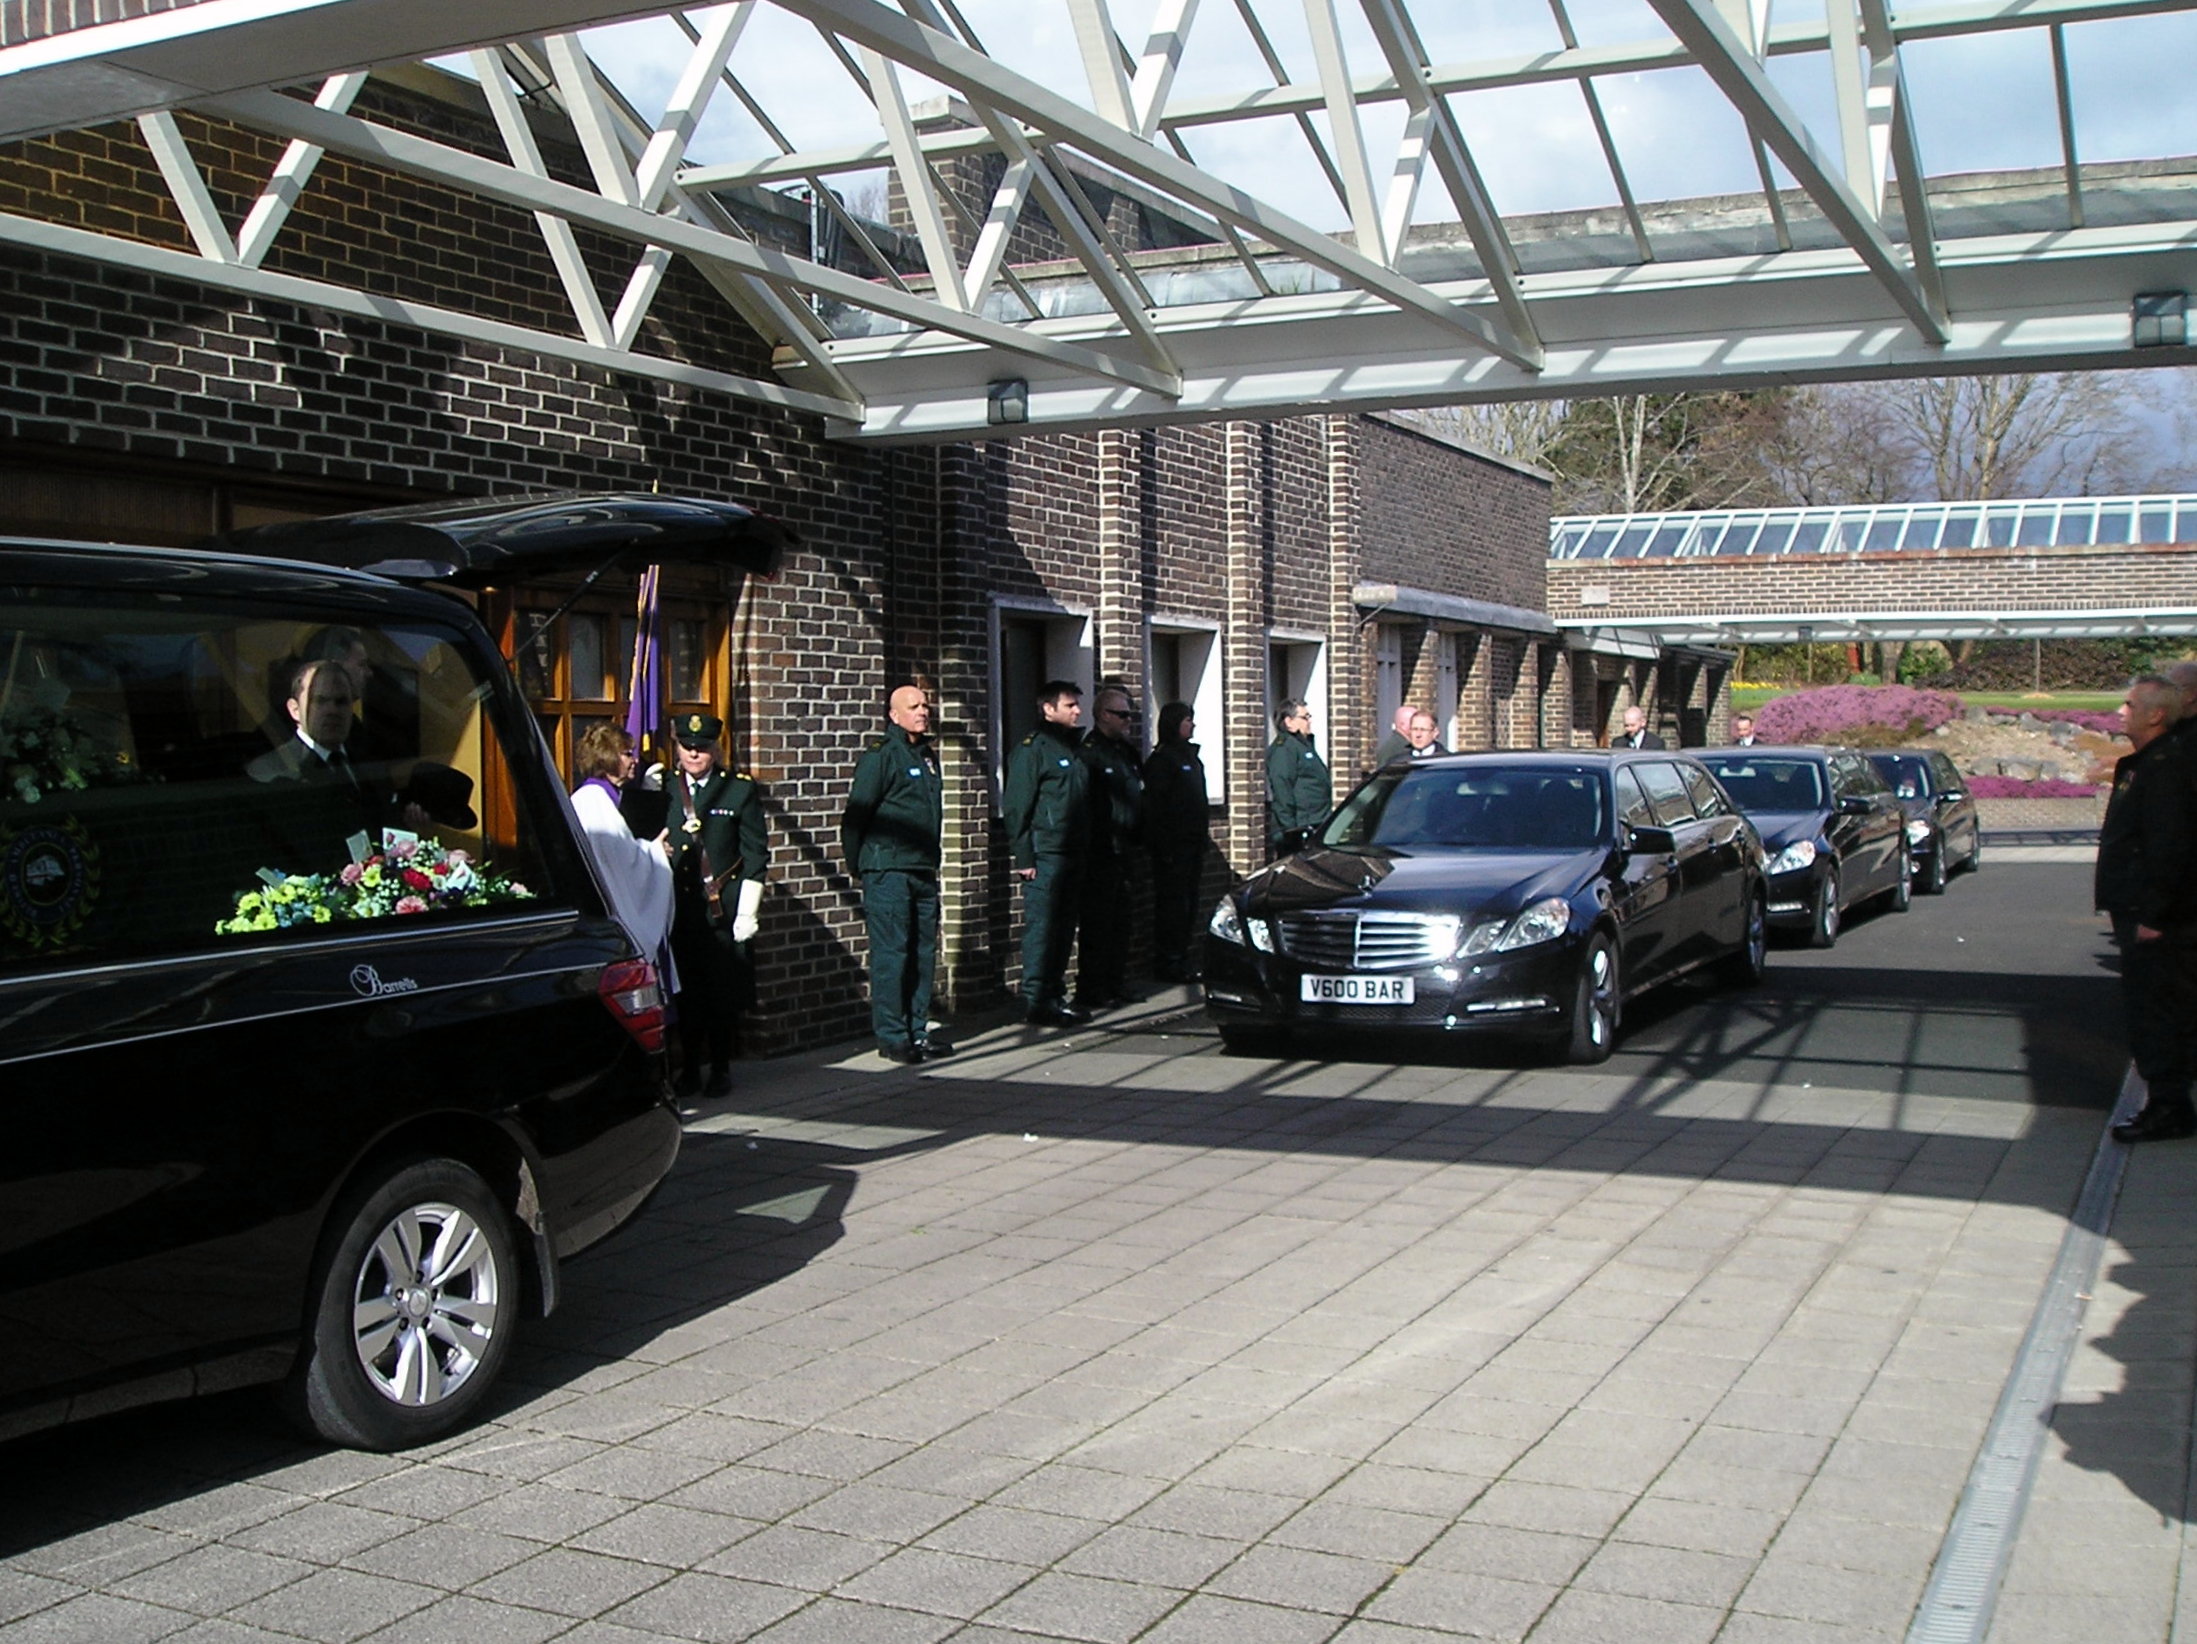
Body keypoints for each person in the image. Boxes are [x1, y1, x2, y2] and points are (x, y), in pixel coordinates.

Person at [2097, 676, 2197, 1143]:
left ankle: (2169, 1107)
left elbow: (2170, 845)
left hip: (2152, 916)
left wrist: (2155, 915)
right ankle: (2165, 1101)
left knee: (2158, 1010)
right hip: (2136, 907)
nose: (2121, 711)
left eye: (2130, 704)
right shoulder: (2145, 764)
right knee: (2151, 1008)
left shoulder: (2166, 767)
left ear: (2156, 715)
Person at [664, 712, 767, 1097]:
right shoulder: (664, 786)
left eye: (701, 749)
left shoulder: (738, 790)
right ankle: (690, 1067)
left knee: (720, 993)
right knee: (685, 993)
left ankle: (721, 1066)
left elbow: (756, 852)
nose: (694, 755)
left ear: (714, 750)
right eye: (687, 747)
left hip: (721, 909)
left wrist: (748, 910)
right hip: (678, 908)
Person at [843, 684, 945, 1064]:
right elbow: (856, 815)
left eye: (925, 706)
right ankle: (892, 1035)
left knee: (922, 952)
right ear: (894, 714)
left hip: (921, 867)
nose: (923, 712)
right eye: (913, 706)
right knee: (892, 953)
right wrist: (860, 864)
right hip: (888, 868)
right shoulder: (882, 756)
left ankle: (918, 1030)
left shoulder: (926, 754)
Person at [1003, 680, 1091, 1026]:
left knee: (1064, 927)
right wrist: (1024, 857)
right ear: (1048, 709)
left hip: (1073, 851)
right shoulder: (1033, 749)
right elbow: (1017, 806)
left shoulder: (1072, 749)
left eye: (1077, 705)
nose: (1077, 711)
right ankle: (1038, 1000)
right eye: (1069, 705)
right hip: (1046, 854)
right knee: (1043, 929)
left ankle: (1056, 994)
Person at [571, 722, 675, 981]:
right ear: (606, 757)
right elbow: (619, 860)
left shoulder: (609, 798)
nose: (635, 760)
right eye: (627, 753)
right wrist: (655, 852)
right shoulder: (592, 800)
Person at [1076, 684, 1144, 1011]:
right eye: (1122, 714)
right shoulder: (1090, 752)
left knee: (1121, 923)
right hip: (1101, 851)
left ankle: (1115, 984)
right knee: (1098, 924)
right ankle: (1092, 988)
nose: (1128, 720)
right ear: (1104, 715)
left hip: (1125, 849)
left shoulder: (1126, 753)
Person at [1143, 700, 1210, 984]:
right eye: (1186, 720)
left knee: (1188, 905)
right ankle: (1169, 961)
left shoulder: (1191, 758)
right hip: (1174, 847)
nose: (1192, 725)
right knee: (1173, 906)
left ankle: (1181, 957)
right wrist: (1165, 847)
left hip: (1192, 845)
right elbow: (1156, 807)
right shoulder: (1163, 760)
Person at [1266, 697, 1331, 853]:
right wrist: (1291, 829)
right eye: (1304, 717)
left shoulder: (1303, 745)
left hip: (1314, 822)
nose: (1309, 721)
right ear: (1289, 722)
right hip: (1299, 827)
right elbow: (1282, 787)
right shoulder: (1285, 748)